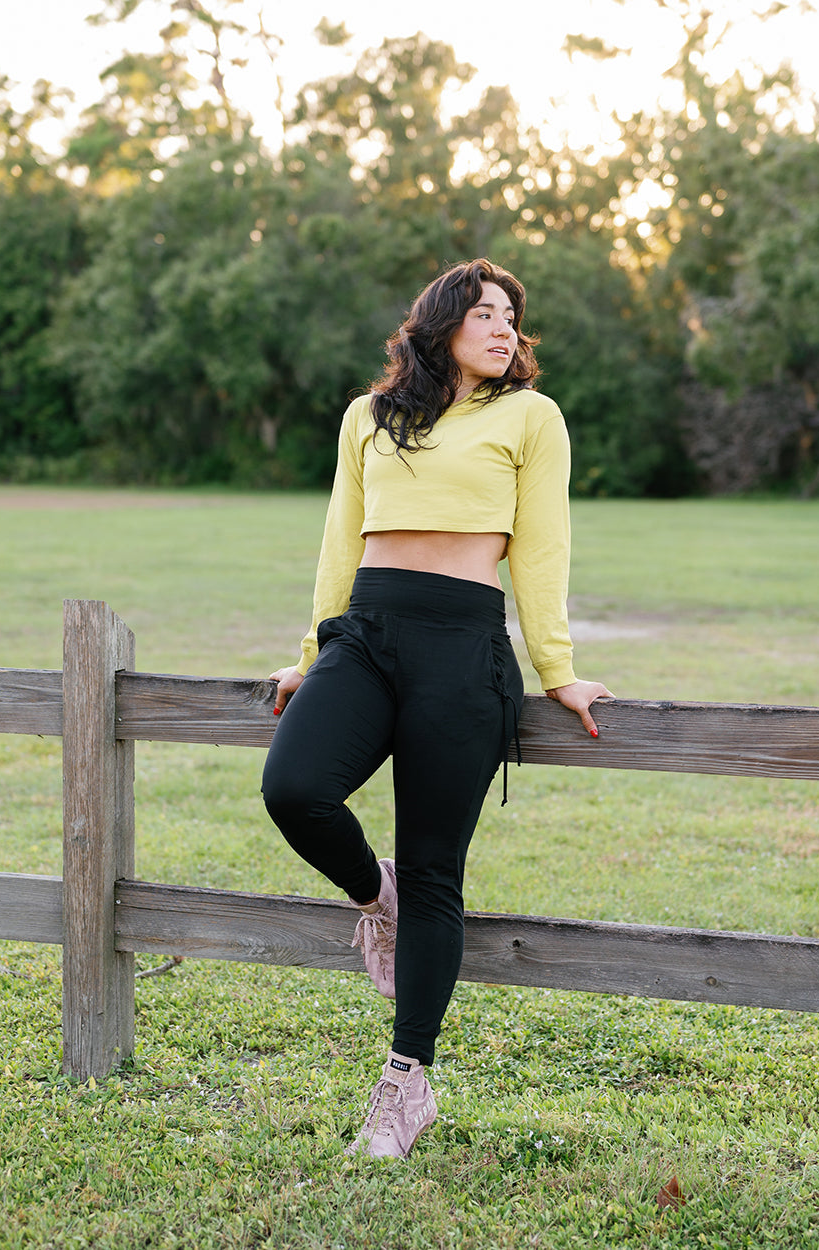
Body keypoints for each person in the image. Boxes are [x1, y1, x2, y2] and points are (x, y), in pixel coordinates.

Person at [261, 258, 612, 1160]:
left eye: (512, 319)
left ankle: (404, 1083)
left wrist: (558, 669)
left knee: (435, 871)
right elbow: (341, 538)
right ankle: (370, 893)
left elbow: (542, 547)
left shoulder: (531, 417)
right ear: (439, 325)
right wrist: (312, 655)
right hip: (366, 636)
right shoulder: (368, 418)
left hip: (462, 652)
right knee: (295, 788)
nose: (505, 330)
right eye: (484, 314)